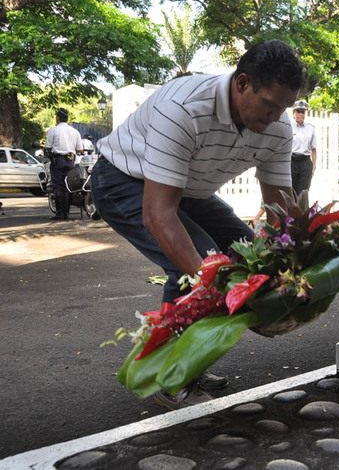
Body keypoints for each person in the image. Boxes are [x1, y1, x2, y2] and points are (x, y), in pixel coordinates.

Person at [91, 40, 307, 408]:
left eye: (283, 108)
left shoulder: (278, 127)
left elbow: (280, 209)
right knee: (202, 267)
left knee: (246, 257)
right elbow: (159, 214)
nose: (276, 117)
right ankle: (172, 380)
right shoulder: (184, 108)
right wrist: (217, 286)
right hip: (123, 180)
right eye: (270, 105)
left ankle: (192, 359)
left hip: (188, 188)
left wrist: (290, 270)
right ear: (241, 84)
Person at [44, 108, 83, 221]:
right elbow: (80, 150)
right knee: (67, 186)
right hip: (70, 161)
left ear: (58, 118)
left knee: (58, 186)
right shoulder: (75, 132)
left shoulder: (53, 130)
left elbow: (48, 147)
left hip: (58, 161)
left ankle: (60, 213)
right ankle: (66, 212)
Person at [289, 100, 317, 196]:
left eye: (303, 112)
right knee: (291, 192)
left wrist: (314, 166)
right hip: (292, 162)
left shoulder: (310, 128)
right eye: (298, 112)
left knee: (303, 193)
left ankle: (302, 211)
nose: (300, 114)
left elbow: (313, 149)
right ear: (293, 113)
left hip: (305, 163)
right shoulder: (289, 127)